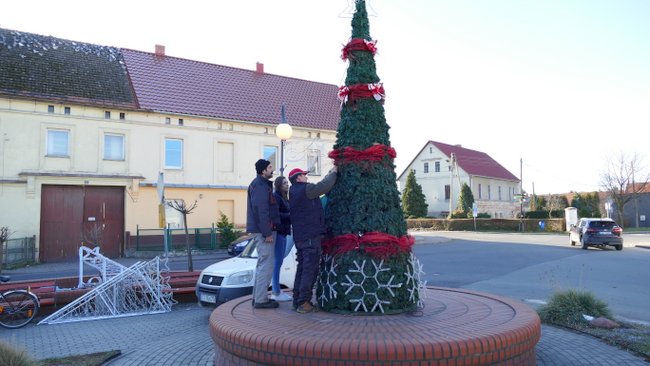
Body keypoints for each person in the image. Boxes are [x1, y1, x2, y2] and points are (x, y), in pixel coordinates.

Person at [288, 166, 337, 313]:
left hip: (301, 236)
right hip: (310, 237)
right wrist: (334, 172)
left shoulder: (294, 191)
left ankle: (297, 300)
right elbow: (324, 186)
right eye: (304, 175)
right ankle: (304, 303)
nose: (306, 177)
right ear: (298, 178)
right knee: (310, 269)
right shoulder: (305, 189)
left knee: (302, 269)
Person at [246, 159, 281, 309]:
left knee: (263, 264)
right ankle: (260, 300)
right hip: (263, 232)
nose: (272, 170)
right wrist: (267, 233)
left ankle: (259, 297)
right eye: (269, 168)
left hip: (262, 230)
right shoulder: (260, 186)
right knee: (266, 264)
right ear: (263, 171)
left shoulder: (260, 185)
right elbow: (261, 211)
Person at [270, 175, 292, 302]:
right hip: (279, 232)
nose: (287, 184)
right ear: (279, 185)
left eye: (287, 182)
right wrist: (290, 215)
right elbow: (276, 214)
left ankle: (276, 290)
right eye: (284, 183)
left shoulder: (284, 197)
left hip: (283, 232)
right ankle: (276, 291)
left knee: (279, 262)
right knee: (277, 262)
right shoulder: (276, 197)